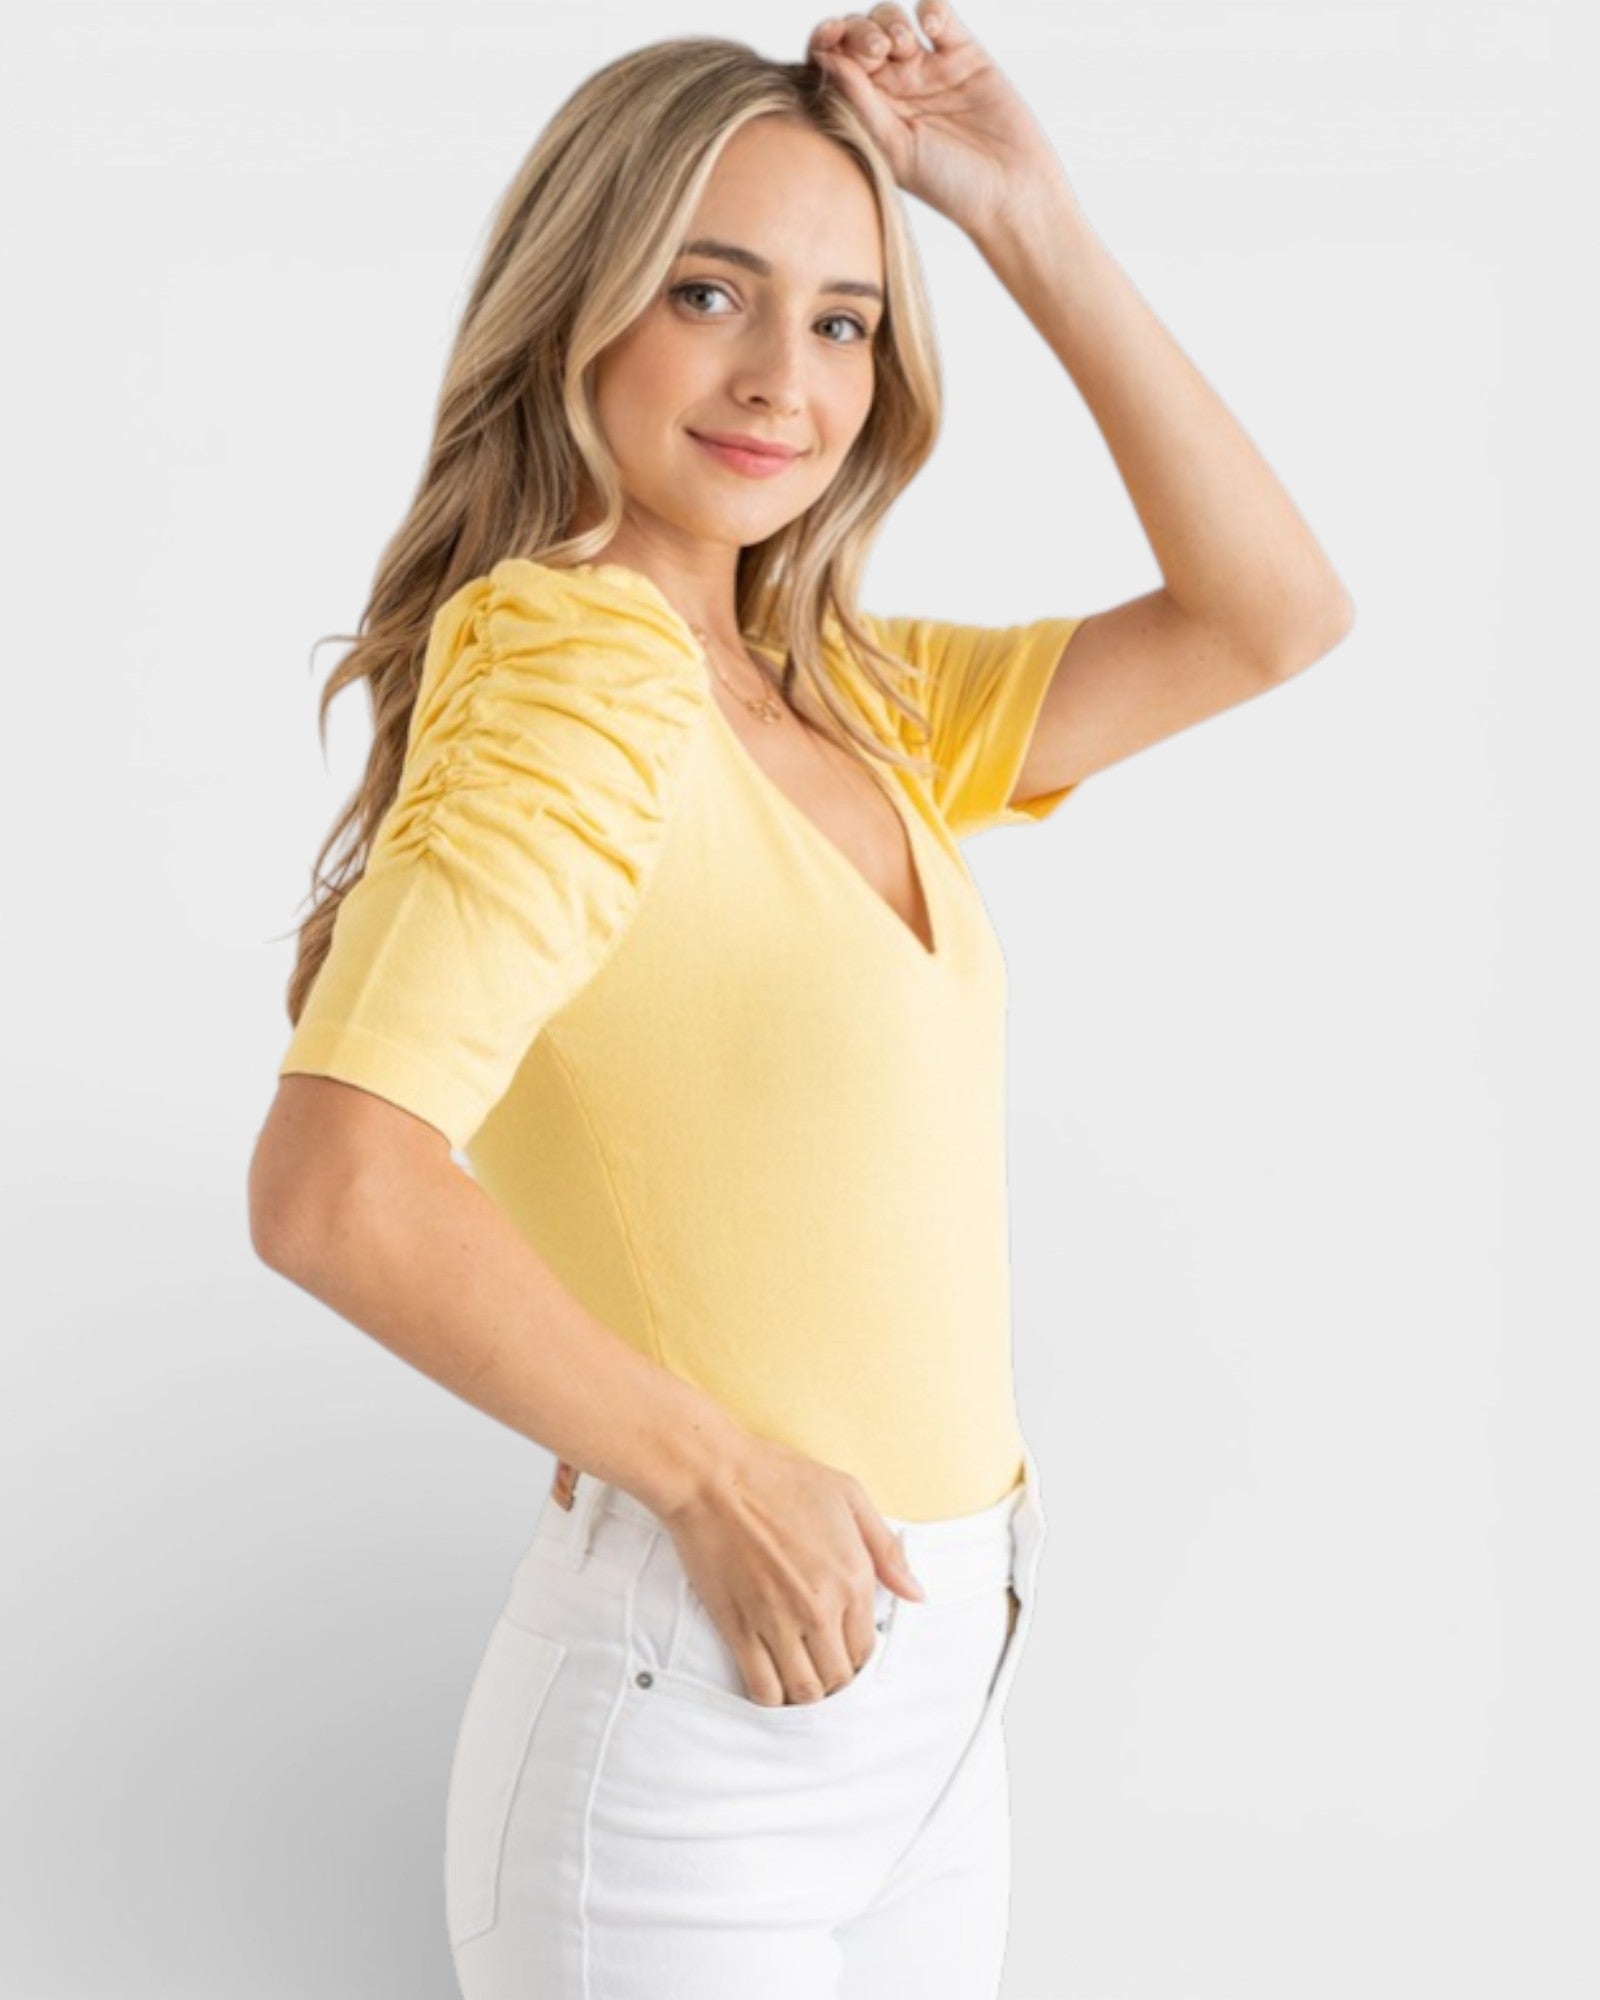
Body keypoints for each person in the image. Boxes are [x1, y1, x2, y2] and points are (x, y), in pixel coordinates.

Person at [248, 7, 1353, 1996]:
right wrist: (713, 1470)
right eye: (707, 292)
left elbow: (1268, 610)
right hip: (691, 1727)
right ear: (571, 311)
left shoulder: (851, 696)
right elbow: (336, 1183)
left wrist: (1020, 217)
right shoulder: (575, 668)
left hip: (928, 1719)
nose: (784, 377)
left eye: (843, 319)